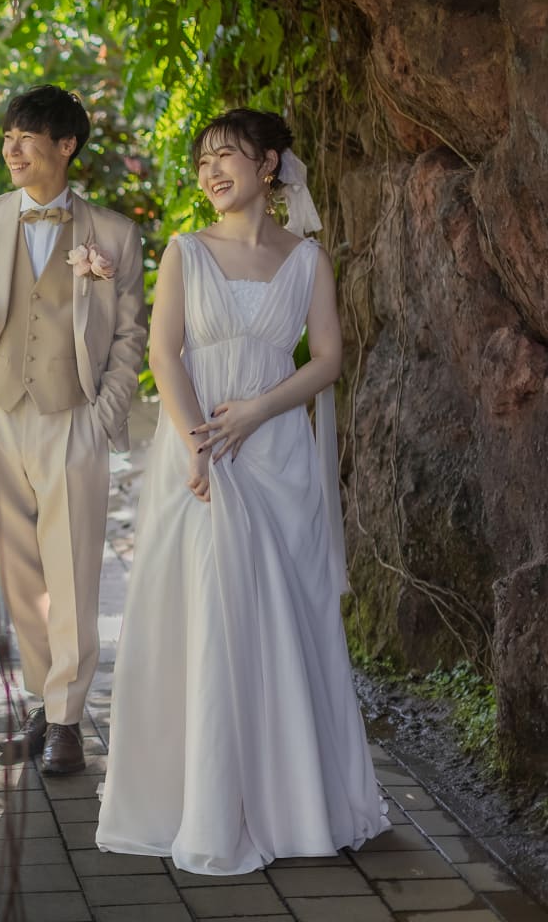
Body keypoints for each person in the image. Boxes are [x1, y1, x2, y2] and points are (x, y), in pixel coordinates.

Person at [95, 108, 389, 871]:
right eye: (201, 161)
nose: (210, 171)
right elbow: (165, 354)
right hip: (200, 454)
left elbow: (326, 360)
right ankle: (204, 804)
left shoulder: (308, 262)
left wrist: (257, 410)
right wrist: (198, 445)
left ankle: (293, 804)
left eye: (226, 155)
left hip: (277, 447)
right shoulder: (185, 251)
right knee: (209, 610)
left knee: (286, 615)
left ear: (270, 166)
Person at [0, 85, 147, 774]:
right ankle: (42, 698)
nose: (12, 148)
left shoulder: (113, 234)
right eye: (7, 138)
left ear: (66, 145)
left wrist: (105, 415)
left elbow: (128, 337)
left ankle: (66, 722)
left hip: (71, 419)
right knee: (21, 575)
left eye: (27, 137)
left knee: (75, 570)